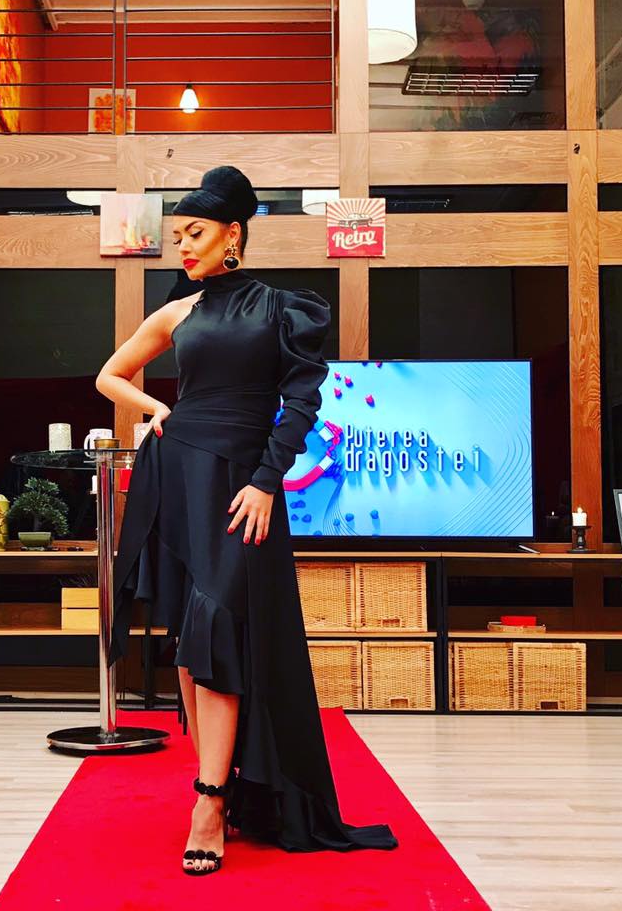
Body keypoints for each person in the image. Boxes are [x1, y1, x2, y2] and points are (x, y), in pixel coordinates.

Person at [97, 166, 397, 876]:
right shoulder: (177, 313)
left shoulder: (281, 309)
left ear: (233, 234)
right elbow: (109, 375)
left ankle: (209, 803)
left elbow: (302, 404)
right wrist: (157, 409)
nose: (182, 246)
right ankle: (213, 785)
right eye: (177, 236)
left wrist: (267, 482)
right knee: (191, 642)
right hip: (178, 478)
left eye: (195, 233)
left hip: (242, 487)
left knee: (218, 633)